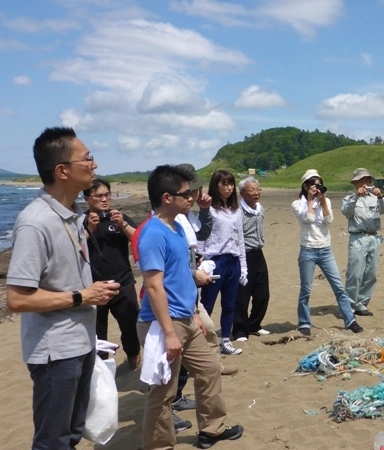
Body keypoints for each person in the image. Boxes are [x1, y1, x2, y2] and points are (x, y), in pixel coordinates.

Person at [6, 127, 120, 449]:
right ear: (62, 171)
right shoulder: (35, 222)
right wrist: (82, 296)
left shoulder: (73, 216)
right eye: (87, 159)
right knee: (52, 441)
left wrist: (89, 292)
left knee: (70, 435)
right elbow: (16, 298)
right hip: (55, 352)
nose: (94, 165)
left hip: (80, 343)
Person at [137, 164, 243, 449]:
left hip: (186, 319)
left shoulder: (176, 229)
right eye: (185, 194)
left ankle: (212, 428)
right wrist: (170, 333)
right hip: (162, 324)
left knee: (209, 370)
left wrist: (195, 312)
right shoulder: (153, 233)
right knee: (162, 392)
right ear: (167, 197)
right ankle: (158, 445)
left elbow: (180, 274)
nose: (192, 198)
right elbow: (153, 286)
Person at [292, 169, 363, 335]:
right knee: (306, 290)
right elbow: (308, 219)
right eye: (313, 184)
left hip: (325, 249)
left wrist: (322, 201)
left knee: (338, 286)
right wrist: (310, 200)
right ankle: (304, 323)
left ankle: (350, 320)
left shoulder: (326, 201)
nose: (317, 188)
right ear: (305, 185)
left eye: (319, 185)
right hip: (308, 249)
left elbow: (329, 220)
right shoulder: (297, 204)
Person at [82, 178, 142, 367]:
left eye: (107, 195)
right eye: (99, 196)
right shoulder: (81, 221)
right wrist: (89, 229)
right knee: (97, 329)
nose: (104, 199)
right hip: (94, 286)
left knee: (131, 323)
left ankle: (133, 355)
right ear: (87, 198)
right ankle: (102, 364)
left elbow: (139, 241)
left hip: (122, 282)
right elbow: (73, 248)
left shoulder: (119, 218)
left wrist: (123, 224)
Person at [198, 170, 247, 356]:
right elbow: (202, 236)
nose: (228, 188)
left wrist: (243, 266)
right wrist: (200, 258)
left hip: (233, 260)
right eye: (224, 184)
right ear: (215, 186)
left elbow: (239, 238)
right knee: (207, 304)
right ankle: (201, 343)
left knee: (229, 304)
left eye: (231, 184)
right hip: (214, 260)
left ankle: (225, 340)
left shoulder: (236, 209)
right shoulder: (210, 209)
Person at [341, 168, 384, 316]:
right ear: (355, 183)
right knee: (355, 273)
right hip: (358, 237)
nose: (365, 183)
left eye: (367, 180)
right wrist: (356, 197)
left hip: (374, 237)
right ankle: (349, 305)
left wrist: (381, 196)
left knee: (371, 274)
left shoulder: (375, 197)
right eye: (361, 180)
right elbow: (346, 211)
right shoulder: (349, 198)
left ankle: (361, 303)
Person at [232, 176, 271, 341]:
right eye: (252, 190)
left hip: (258, 252)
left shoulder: (260, 209)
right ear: (242, 193)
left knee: (263, 294)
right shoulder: (237, 212)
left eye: (258, 189)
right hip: (243, 254)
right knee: (242, 294)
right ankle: (240, 330)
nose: (256, 193)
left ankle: (254, 324)